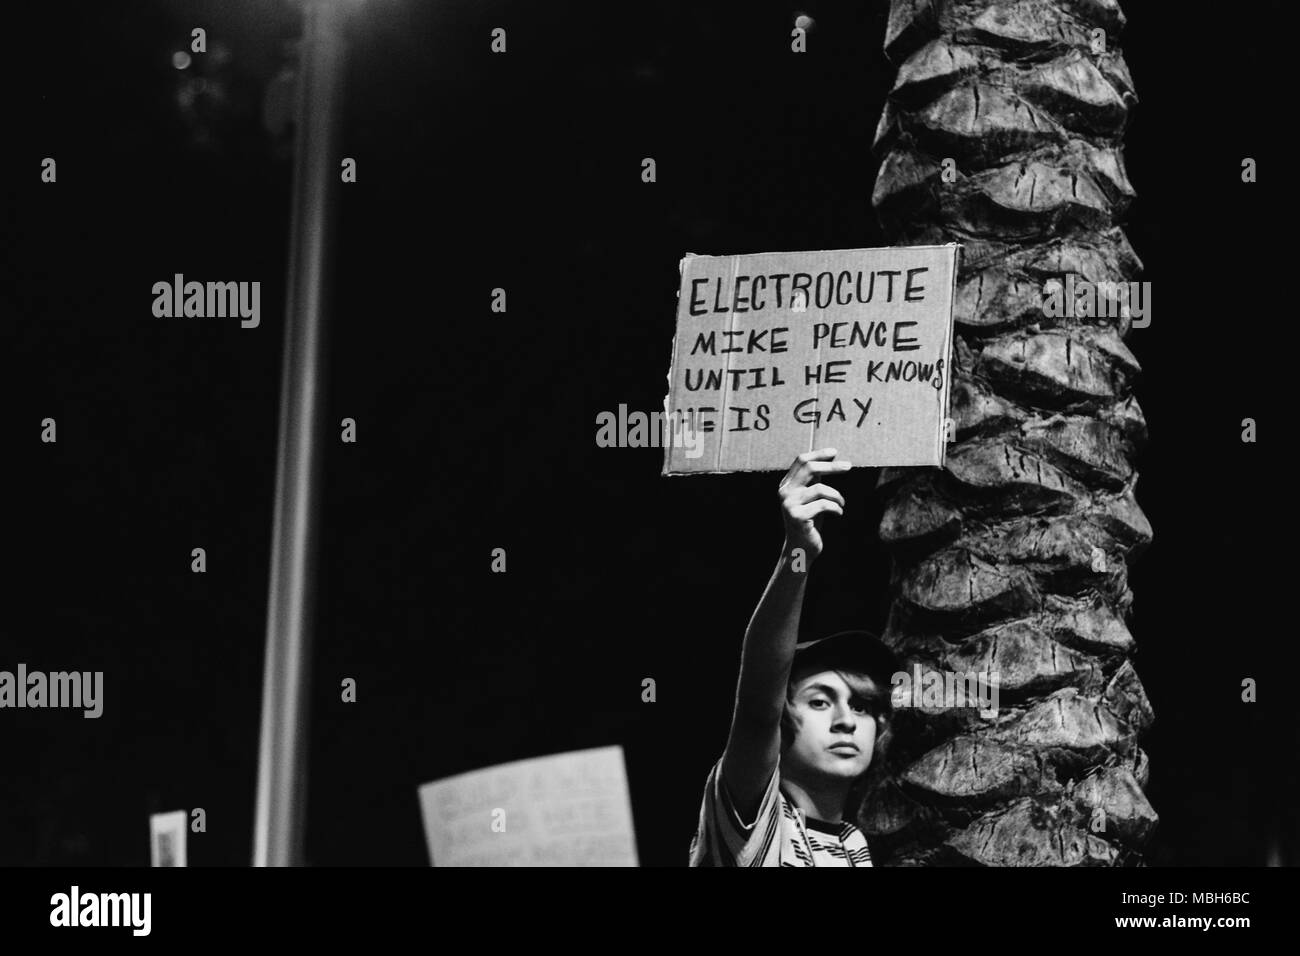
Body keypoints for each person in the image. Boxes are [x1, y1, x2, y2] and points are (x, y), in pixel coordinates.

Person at [688, 448, 899, 867]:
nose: (846, 721)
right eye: (820, 701)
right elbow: (757, 707)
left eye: (861, 705)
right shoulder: (757, 819)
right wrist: (796, 555)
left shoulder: (856, 846)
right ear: (783, 721)